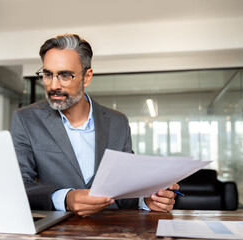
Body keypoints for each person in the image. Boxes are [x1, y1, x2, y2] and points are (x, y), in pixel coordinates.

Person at [10, 33, 179, 217]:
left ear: (87, 76)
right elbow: (18, 185)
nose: (53, 85)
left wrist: (146, 200)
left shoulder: (118, 122)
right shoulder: (26, 119)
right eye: (48, 75)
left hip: (112, 230)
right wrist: (66, 198)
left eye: (65, 75)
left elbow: (123, 188)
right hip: (55, 231)